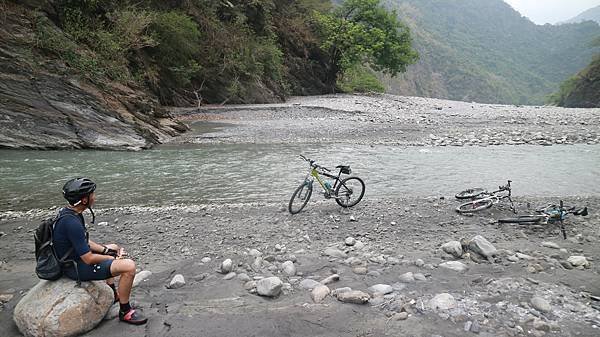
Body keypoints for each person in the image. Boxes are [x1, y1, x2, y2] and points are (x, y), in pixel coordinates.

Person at [53, 177, 147, 325]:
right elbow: (88, 259)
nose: (94, 197)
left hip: (73, 258)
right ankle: (125, 311)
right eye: (92, 194)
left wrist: (107, 251)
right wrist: (112, 259)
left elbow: (83, 241)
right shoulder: (71, 222)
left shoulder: (71, 213)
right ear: (84, 200)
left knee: (114, 247)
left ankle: (112, 292)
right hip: (74, 268)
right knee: (128, 267)